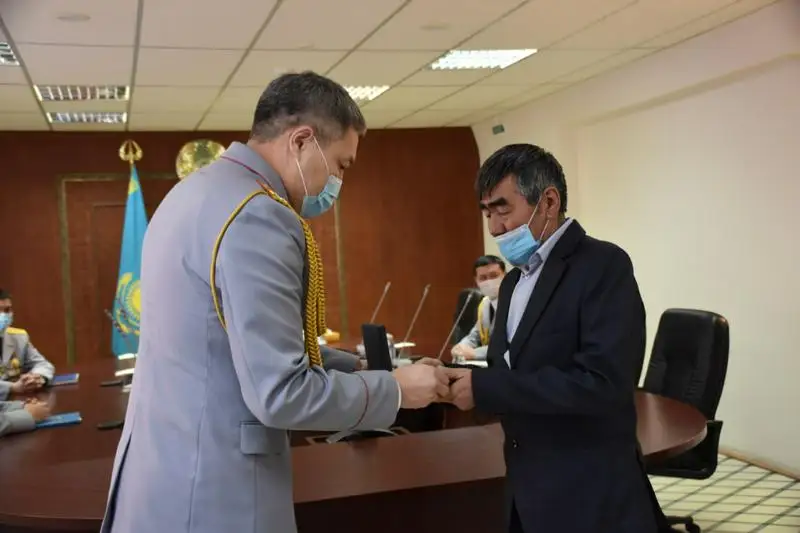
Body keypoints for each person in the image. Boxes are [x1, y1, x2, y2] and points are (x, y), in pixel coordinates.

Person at [100, 72, 449, 533]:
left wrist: (360, 369)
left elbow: (231, 343)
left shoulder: (194, 191)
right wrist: (397, 390)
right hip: (214, 492)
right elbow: (282, 393)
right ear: (302, 141)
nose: (339, 181)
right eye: (341, 164)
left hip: (164, 473)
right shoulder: (258, 214)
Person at [442, 144, 661, 532]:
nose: (494, 228)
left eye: (503, 209)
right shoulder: (512, 282)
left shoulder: (602, 266)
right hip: (526, 487)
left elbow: (604, 384)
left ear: (548, 202)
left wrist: (486, 388)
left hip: (588, 494)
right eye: (487, 213)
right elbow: (510, 371)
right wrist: (457, 380)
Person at [0, 289, 55, 398]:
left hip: (15, 400)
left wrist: (36, 377)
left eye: (7, 310)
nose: (2, 315)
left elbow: (43, 364)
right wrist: (12, 387)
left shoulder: (18, 337)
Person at [451, 255, 506, 361]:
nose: (489, 281)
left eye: (494, 276)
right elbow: (475, 335)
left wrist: (475, 353)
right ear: (476, 280)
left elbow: (510, 345)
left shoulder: (516, 303)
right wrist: (460, 347)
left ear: (505, 275)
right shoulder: (484, 304)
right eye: (483, 278)